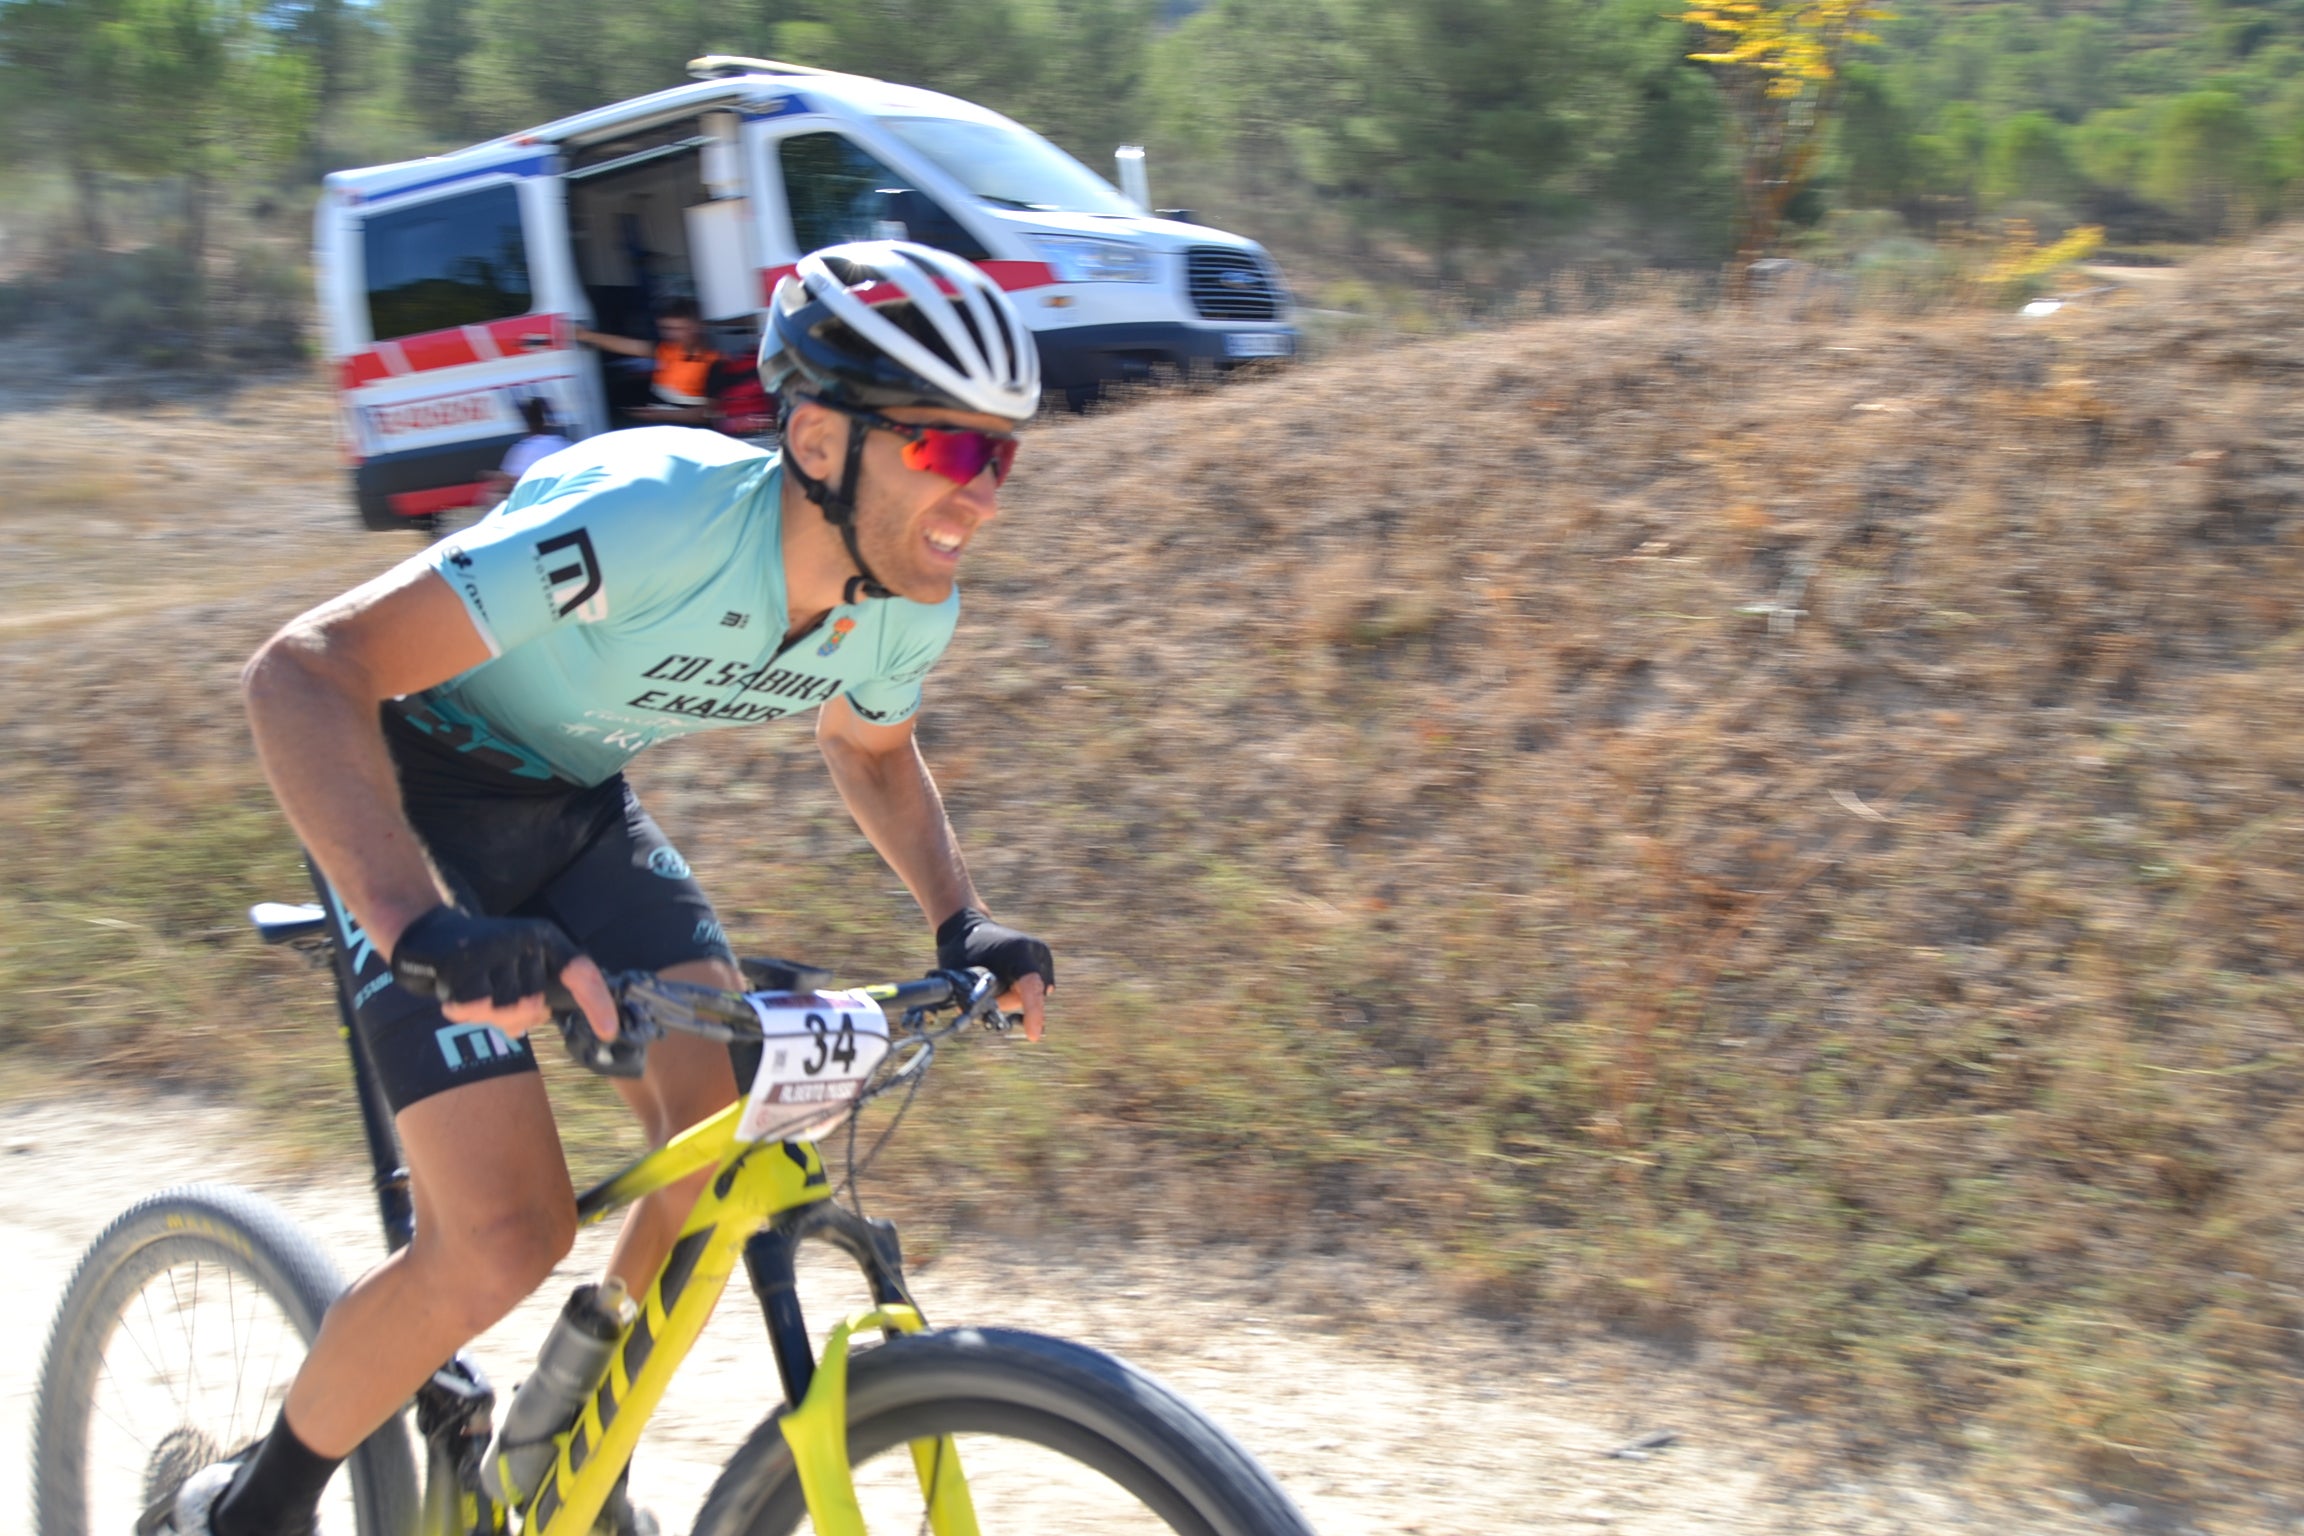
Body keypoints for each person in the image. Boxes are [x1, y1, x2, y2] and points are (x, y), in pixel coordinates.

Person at [167, 242, 1052, 1536]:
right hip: (415, 799)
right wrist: (420, 928)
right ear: (816, 437)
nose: (979, 493)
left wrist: (959, 917)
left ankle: (566, 1443)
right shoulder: (650, 516)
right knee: (503, 1239)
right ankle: (251, 1510)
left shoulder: (906, 597)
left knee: (715, 1139)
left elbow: (867, 747)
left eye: (1002, 455)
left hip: (577, 811)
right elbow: (304, 674)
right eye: (948, 450)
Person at [573, 296, 723, 425]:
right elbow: (626, 345)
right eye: (665, 328)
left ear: (695, 327)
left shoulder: (715, 362)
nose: (669, 335)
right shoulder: (667, 349)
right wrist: (585, 335)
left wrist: (660, 414)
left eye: (677, 329)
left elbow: (710, 413)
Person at [479, 395, 573, 507]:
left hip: (541, 504)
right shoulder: (563, 444)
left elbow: (510, 479)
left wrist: (489, 477)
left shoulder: (524, 449)